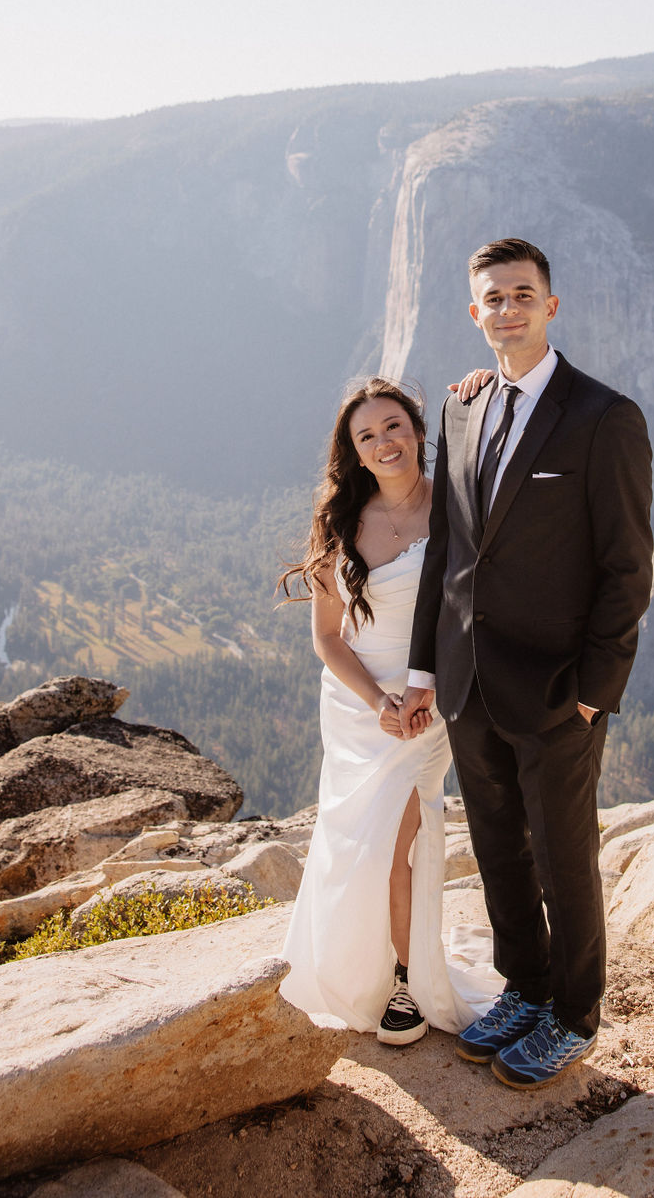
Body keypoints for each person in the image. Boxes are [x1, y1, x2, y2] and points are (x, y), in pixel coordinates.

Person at [403, 237, 653, 1087]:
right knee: (499, 846)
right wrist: (423, 668)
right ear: (475, 315)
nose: (507, 308)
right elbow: (449, 548)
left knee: (563, 853)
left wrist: (594, 693)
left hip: (557, 691)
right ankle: (525, 984)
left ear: (552, 305)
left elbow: (627, 568)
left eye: (522, 293)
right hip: (467, 679)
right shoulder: (463, 407)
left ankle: (575, 1011)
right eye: (492, 298)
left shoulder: (603, 417)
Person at [278, 375, 497, 1044]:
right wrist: (376, 700)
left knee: (402, 835)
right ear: (353, 450)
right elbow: (326, 634)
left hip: (425, 704)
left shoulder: (456, 506)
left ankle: (405, 979)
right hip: (357, 702)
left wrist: (483, 386)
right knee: (355, 840)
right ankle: (354, 969)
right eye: (366, 435)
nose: (384, 442)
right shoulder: (341, 519)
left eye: (394, 425)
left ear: (419, 430)